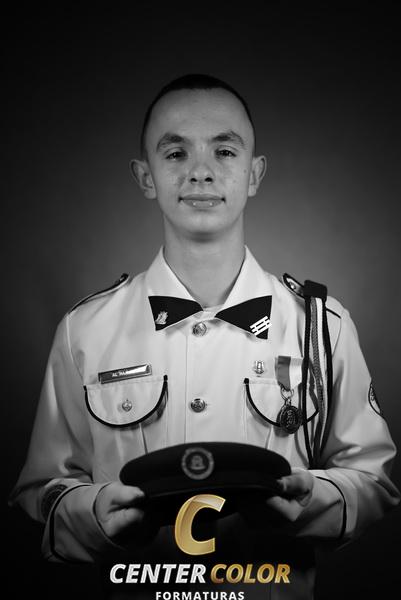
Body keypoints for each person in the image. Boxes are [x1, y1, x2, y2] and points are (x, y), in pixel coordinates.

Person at [9, 74, 400, 599]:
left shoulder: (322, 326)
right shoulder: (86, 330)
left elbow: (373, 478)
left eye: (224, 151)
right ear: (145, 176)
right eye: (175, 153)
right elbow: (42, 488)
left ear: (254, 173)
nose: (200, 171)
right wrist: (94, 513)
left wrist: (313, 500)